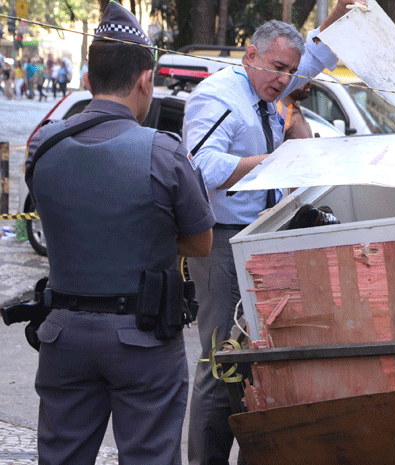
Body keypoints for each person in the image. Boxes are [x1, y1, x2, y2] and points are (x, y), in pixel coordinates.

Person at [25, 2, 216, 464]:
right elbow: (201, 243)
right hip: (142, 339)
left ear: (89, 80)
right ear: (145, 79)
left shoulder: (43, 146)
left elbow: (61, 215)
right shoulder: (162, 153)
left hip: (62, 335)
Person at [182, 1, 362, 463]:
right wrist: (271, 165)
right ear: (249, 56)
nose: (285, 80)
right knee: (220, 362)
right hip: (223, 240)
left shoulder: (268, 87)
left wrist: (335, 18)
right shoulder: (220, 96)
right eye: (278, 68)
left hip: (266, 236)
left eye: (290, 72)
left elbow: (312, 58)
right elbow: (200, 167)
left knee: (259, 361)